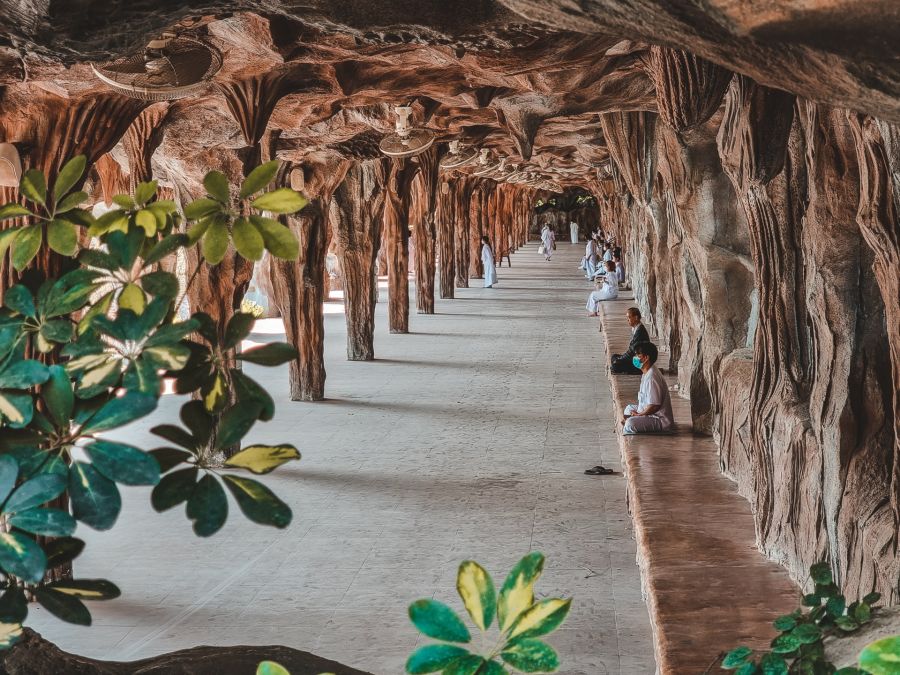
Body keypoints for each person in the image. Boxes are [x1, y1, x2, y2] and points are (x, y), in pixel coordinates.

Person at [622, 341, 674, 434]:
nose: (635, 358)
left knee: (630, 423)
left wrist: (639, 415)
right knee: (628, 408)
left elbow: (654, 406)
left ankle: (628, 425)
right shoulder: (647, 372)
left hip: (659, 419)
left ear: (646, 358)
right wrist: (637, 414)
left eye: (638, 355)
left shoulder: (652, 377)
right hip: (648, 413)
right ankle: (629, 422)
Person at [610, 307, 649, 374]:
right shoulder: (636, 328)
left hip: (640, 362)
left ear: (636, 318)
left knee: (615, 365)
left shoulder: (640, 332)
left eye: (629, 317)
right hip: (634, 357)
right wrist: (620, 358)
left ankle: (638, 370)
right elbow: (631, 350)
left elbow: (631, 352)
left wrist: (621, 359)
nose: (627, 320)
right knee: (614, 357)